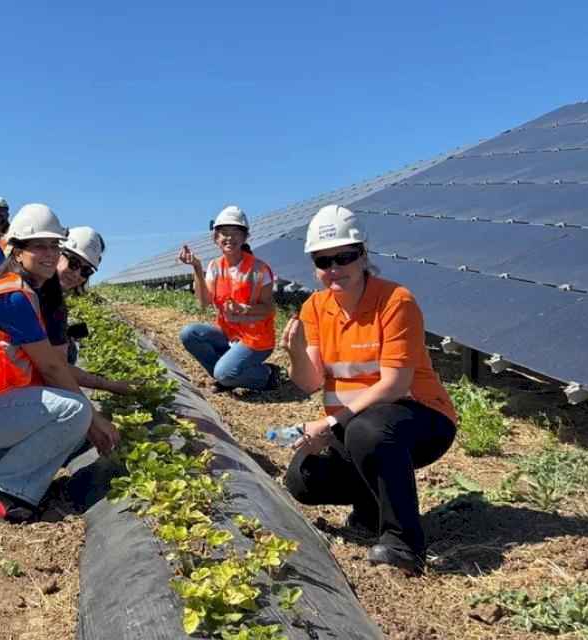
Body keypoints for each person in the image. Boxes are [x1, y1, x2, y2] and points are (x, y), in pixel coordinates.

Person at [281, 205, 458, 575]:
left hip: (420, 417)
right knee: (302, 478)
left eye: (343, 257)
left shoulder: (395, 301)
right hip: (358, 424)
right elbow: (310, 382)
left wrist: (332, 425)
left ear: (363, 255)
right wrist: (296, 352)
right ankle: (370, 504)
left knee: (370, 430)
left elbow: (395, 384)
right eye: (323, 260)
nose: (333, 269)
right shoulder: (315, 307)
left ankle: (403, 543)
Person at [0, 204, 122, 523]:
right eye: (39, 246)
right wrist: (97, 416)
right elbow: (52, 369)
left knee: (76, 418)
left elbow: (49, 366)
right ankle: (2, 487)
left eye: (53, 246)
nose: (50, 255)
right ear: (17, 251)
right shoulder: (15, 296)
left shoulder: (26, 291)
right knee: (75, 412)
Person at [176, 206, 281, 392]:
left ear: (245, 237)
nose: (229, 238)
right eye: (224, 233)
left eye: (235, 233)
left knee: (224, 373)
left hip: (256, 339)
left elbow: (268, 309)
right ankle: (227, 377)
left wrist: (245, 309)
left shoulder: (259, 269)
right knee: (189, 333)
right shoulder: (215, 267)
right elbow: (203, 303)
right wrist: (197, 268)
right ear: (216, 238)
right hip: (229, 335)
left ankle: (267, 374)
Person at [44, 226, 133, 394]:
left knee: (68, 344)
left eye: (86, 270)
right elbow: (57, 369)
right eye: (73, 263)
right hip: (4, 387)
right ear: (58, 252)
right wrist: (111, 386)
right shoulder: (44, 295)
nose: (77, 274)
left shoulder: (51, 291)